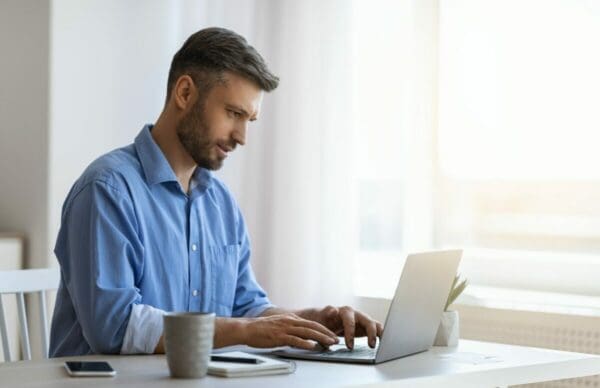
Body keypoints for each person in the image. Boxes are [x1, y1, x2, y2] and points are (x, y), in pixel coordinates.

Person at [49, 27, 382, 357]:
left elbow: (244, 306)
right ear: (184, 93)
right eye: (234, 113)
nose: (242, 136)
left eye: (249, 119)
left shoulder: (220, 204)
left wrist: (306, 322)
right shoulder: (107, 190)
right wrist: (246, 331)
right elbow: (114, 326)